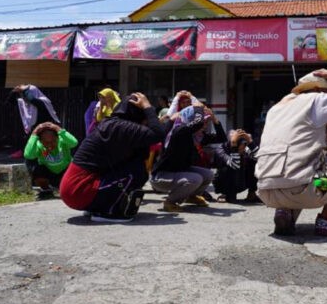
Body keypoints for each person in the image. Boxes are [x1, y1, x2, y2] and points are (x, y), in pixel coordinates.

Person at [255, 69, 327, 236]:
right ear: (318, 90)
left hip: (267, 193)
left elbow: (298, 145)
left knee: (299, 170)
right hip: (307, 190)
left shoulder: (276, 109)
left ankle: (285, 211)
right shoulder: (316, 100)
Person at [60, 93, 164, 223]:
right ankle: (108, 212)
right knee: (137, 171)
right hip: (79, 191)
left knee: (135, 165)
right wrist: (148, 108)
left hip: (75, 191)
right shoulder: (119, 126)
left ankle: (97, 207)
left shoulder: (113, 125)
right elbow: (158, 134)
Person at [150, 104, 215, 212]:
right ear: (189, 119)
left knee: (209, 174)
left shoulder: (193, 136)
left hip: (178, 172)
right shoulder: (178, 131)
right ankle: (170, 202)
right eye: (203, 121)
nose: (204, 125)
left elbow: (220, 137)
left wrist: (215, 120)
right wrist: (199, 108)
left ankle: (191, 196)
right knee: (196, 179)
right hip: (161, 177)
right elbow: (197, 123)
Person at [23, 122, 78, 200]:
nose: (49, 145)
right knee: (30, 162)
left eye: (53, 141)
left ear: (57, 138)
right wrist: (34, 134)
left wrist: (59, 129)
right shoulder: (38, 145)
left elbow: (74, 143)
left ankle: (67, 188)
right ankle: (46, 190)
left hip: (65, 174)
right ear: (40, 141)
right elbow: (28, 155)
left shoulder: (62, 141)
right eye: (46, 142)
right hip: (48, 175)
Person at [212, 128, 260, 204]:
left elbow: (260, 158)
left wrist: (250, 142)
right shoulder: (221, 149)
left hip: (241, 181)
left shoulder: (244, 147)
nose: (243, 147)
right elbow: (234, 165)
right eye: (240, 144)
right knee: (227, 167)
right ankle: (225, 193)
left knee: (254, 162)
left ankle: (252, 193)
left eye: (244, 144)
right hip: (225, 182)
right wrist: (234, 145)